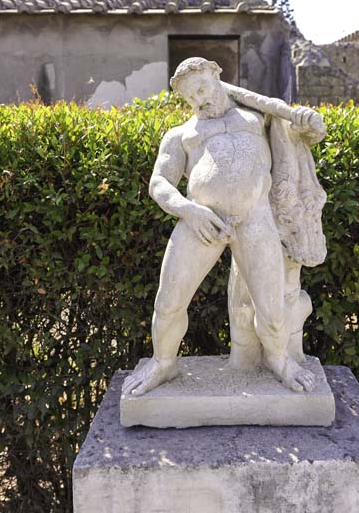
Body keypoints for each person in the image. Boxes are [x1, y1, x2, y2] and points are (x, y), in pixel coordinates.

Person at [123, 57, 320, 396]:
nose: (198, 101)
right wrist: (188, 210)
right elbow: (159, 183)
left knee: (273, 313)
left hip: (255, 220)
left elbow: (303, 138)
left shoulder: (259, 117)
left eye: (201, 89)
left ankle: (279, 360)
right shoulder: (182, 135)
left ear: (217, 74)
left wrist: (309, 123)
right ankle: (163, 362)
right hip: (201, 222)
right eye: (190, 98)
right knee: (168, 303)